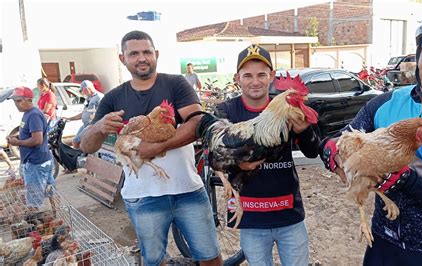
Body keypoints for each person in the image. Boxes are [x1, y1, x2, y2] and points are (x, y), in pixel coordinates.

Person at [321, 6, 422, 266]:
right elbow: (337, 141)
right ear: (418, 53)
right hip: (382, 242)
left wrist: (406, 180)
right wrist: (332, 153)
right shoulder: (384, 103)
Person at [80, 30, 222, 266]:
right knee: (154, 260)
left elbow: (197, 122)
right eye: (134, 53)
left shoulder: (176, 84)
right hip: (142, 195)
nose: (141, 58)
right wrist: (98, 128)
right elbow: (87, 145)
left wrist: (155, 148)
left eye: (147, 52)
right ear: (122, 58)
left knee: (209, 255)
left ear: (156, 54)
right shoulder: (113, 97)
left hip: (187, 189)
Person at [214, 44, 319, 265]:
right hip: (251, 215)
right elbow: (215, 157)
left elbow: (312, 151)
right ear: (237, 78)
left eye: (262, 74)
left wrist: (304, 130)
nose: (255, 81)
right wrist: (239, 166)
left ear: (271, 76)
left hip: (288, 211)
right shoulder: (226, 111)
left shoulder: (286, 107)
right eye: (248, 75)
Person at [6, 86, 55, 209]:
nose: (16, 104)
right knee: (49, 191)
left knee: (34, 200)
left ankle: (37, 222)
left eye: (18, 101)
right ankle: (54, 213)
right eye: (15, 101)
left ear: (28, 99)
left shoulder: (34, 115)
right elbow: (29, 133)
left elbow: (37, 140)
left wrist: (17, 142)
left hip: (36, 162)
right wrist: (16, 136)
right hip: (38, 160)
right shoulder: (28, 114)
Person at [64, 80, 103, 149]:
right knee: (75, 141)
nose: (82, 92)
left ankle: (80, 155)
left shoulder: (99, 97)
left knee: (77, 141)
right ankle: (79, 155)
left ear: (87, 89)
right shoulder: (89, 98)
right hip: (85, 124)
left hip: (92, 125)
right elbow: (84, 113)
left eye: (83, 90)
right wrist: (69, 118)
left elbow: (104, 111)